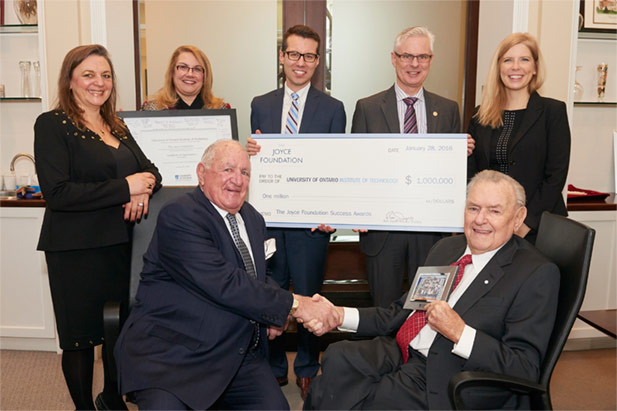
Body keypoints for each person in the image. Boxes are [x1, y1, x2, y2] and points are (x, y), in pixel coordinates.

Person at [304, 170, 560, 410]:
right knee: (337, 361)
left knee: (371, 398)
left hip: (449, 372)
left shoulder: (535, 274)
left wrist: (460, 332)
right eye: (473, 208)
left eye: (494, 211)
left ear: (518, 218)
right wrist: (339, 315)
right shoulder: (447, 249)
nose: (480, 220)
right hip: (405, 349)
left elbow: (525, 368)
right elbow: (400, 312)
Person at [114, 140, 341, 410]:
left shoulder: (253, 219)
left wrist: (272, 314)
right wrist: (294, 304)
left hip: (235, 352)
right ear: (201, 173)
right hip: (173, 354)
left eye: (245, 172)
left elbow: (253, 276)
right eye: (228, 169)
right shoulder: (180, 215)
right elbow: (225, 282)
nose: (237, 179)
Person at [33, 44, 161, 411]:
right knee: (81, 341)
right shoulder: (52, 124)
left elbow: (153, 172)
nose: (98, 82)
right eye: (88, 74)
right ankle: (85, 408)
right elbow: (58, 193)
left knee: (117, 333)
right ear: (70, 80)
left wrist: (143, 187)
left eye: (105, 75)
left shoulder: (116, 124)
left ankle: (111, 399)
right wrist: (126, 187)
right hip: (75, 250)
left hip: (120, 247)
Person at [247, 24, 346, 398]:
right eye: (293, 54)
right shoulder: (262, 104)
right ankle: (273, 367)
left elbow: (337, 167)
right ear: (282, 57)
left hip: (311, 226)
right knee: (269, 294)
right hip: (269, 222)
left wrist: (332, 212)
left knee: (309, 295)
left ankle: (307, 366)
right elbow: (255, 165)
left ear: (317, 62)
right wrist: (251, 152)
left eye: (308, 56)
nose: (300, 62)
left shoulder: (334, 109)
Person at [351, 26, 463, 308]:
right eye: (407, 56)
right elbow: (357, 165)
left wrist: (462, 152)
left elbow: (451, 172)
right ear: (393, 58)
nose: (414, 64)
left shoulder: (448, 110)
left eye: (422, 57)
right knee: (383, 311)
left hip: (430, 233)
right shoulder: (368, 108)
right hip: (382, 232)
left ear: (431, 60)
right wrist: (357, 210)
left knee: (428, 310)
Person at [467, 32, 571, 244]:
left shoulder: (553, 111)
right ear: (498, 68)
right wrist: (463, 154)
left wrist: (525, 223)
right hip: (489, 227)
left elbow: (556, 176)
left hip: (538, 227)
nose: (516, 67)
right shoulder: (480, 115)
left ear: (534, 68)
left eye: (524, 59)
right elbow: (474, 175)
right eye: (508, 60)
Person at [142, 45, 230, 110]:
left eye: (197, 69)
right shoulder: (152, 109)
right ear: (172, 72)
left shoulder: (221, 110)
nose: (190, 74)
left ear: (205, 76)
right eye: (183, 67)